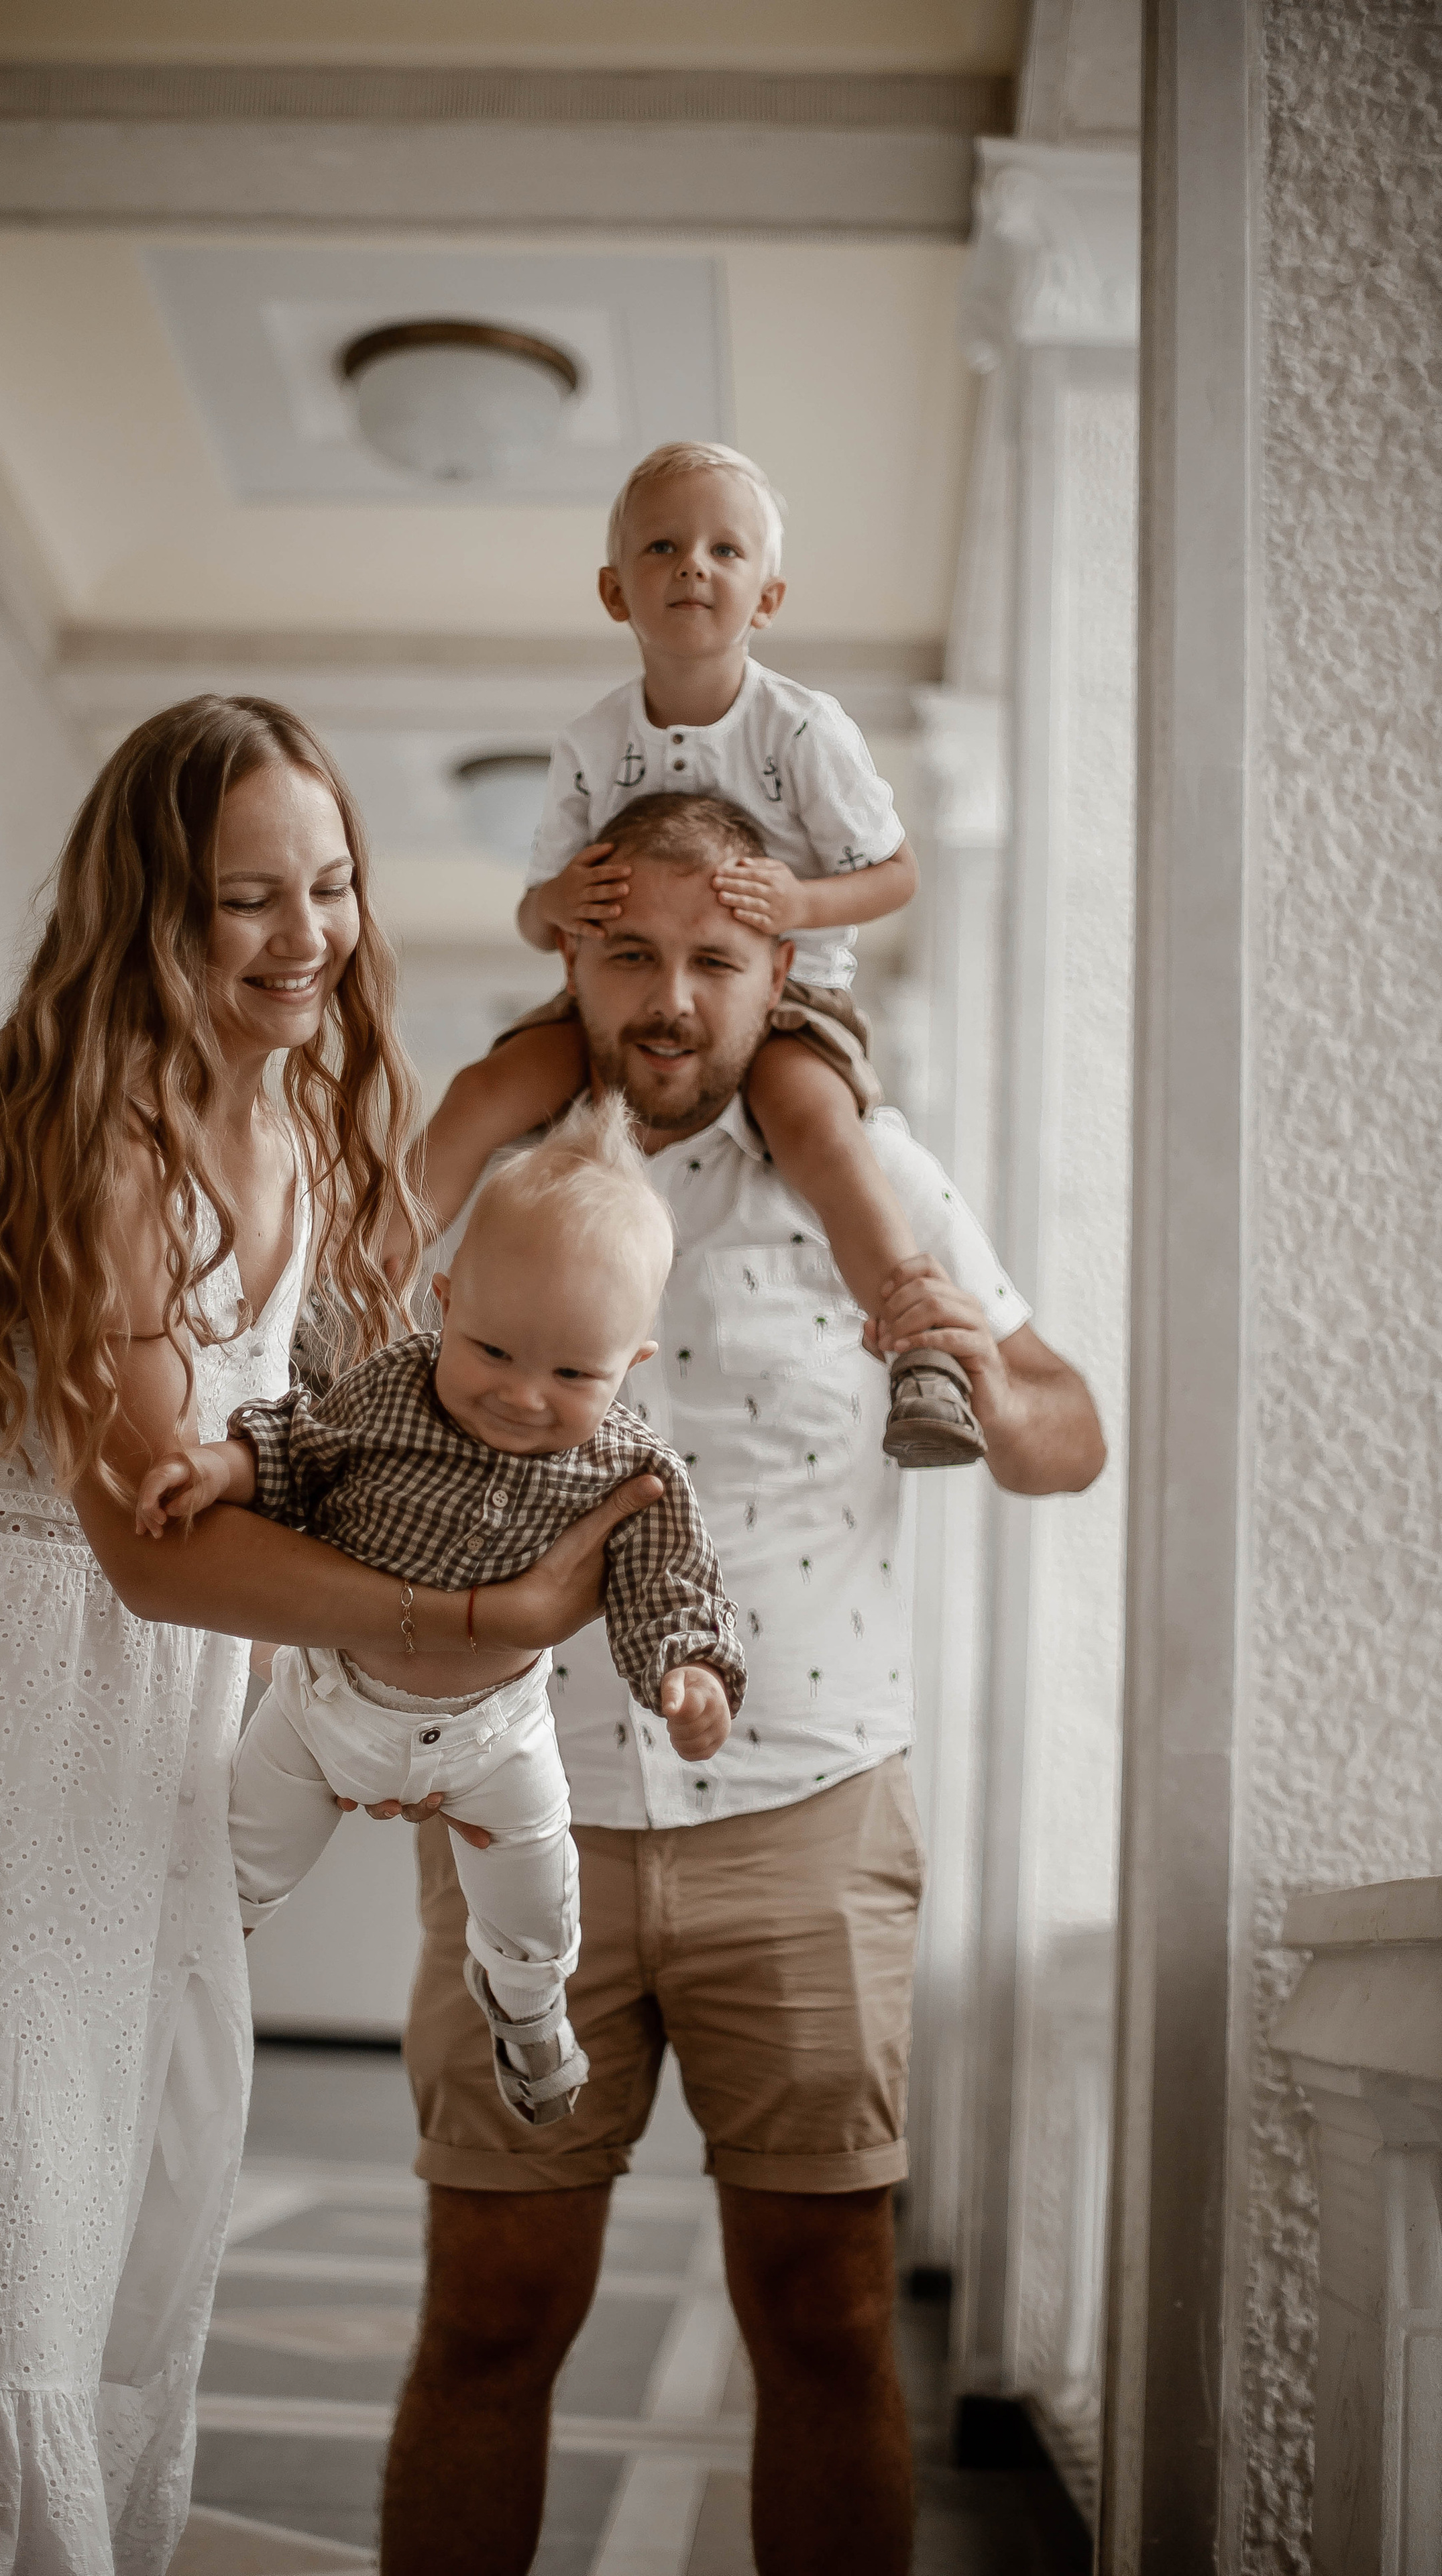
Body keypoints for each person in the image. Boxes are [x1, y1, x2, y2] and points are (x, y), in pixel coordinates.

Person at [0, 695, 658, 2576]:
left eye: (333, 884)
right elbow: (160, 1554)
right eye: (251, 898)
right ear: (153, 913)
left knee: (96, 2252)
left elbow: (353, 1399)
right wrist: (479, 1622)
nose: (309, 934)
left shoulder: (288, 1127)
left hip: (136, 1766)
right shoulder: (114, 1153)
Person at [377, 792, 1107, 2576]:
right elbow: (357, 1420)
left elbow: (1068, 1426)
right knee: (491, 2309)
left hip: (812, 1811)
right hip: (523, 1810)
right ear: (573, 952)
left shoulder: (872, 1172)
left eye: (718, 959)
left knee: (828, 2316)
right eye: (631, 952)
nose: (672, 999)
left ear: (785, 968)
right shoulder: (476, 1174)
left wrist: (990, 1398)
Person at [133, 1094, 744, 2129]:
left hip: (493, 1736)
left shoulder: (631, 1467)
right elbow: (300, 1445)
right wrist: (221, 1465)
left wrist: (690, 1674)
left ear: (631, 1365)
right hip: (326, 1703)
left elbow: (668, 1579)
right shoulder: (396, 1389)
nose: (522, 1395)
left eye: (571, 1373)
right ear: (447, 1300)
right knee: (231, 1861)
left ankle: (528, 2007)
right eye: (494, 1351)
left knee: (534, 1897)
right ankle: (171, 1982)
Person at [408, 436, 985, 1470]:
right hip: (611, 992)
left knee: (815, 1124)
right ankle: (351, 1296)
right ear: (613, 589)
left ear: (767, 596)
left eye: (726, 551)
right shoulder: (592, 743)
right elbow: (536, 920)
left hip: (791, 996)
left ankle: (918, 1344)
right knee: (491, 1087)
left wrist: (804, 901)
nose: (693, 568)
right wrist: (559, 901)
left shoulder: (803, 732)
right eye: (664, 547)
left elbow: (896, 874)